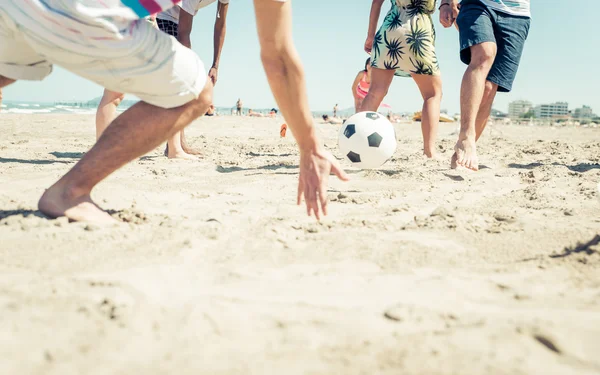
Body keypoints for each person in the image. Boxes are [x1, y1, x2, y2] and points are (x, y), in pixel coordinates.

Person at [0, 0, 347, 223]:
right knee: (196, 93)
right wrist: (311, 145)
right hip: (83, 12)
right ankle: (69, 192)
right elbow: (279, 60)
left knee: (7, 69)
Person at [439, 0, 531, 170]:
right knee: (484, 54)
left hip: (518, 14)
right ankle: (466, 137)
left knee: (489, 88)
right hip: (479, 4)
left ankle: (463, 147)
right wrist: (446, 3)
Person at [361, 0, 443, 159]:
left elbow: (377, 2)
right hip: (417, 31)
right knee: (432, 94)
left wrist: (370, 36)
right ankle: (429, 151)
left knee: (375, 92)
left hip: (390, 29)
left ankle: (358, 139)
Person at [157, 0, 230, 159]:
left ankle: (178, 144)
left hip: (176, 19)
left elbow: (220, 24)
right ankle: (174, 148)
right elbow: (184, 33)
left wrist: (215, 65)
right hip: (161, 16)